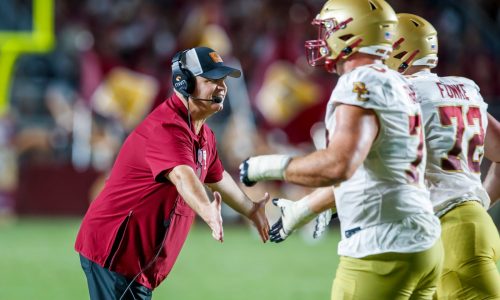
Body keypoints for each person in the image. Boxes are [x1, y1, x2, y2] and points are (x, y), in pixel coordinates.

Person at [239, 0, 443, 299]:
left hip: (381, 246)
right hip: (422, 242)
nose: (323, 39)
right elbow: (366, 173)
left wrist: (263, 167)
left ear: (352, 35)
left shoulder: (361, 82)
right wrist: (301, 212)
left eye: (330, 29)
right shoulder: (399, 83)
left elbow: (339, 166)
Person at [75, 46, 270, 300]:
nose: (222, 87)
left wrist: (250, 209)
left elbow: (218, 178)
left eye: (223, 80)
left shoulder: (203, 134)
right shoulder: (167, 128)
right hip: (115, 253)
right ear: (184, 82)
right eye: (212, 80)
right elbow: (182, 175)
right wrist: (208, 211)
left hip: (136, 262)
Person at [385, 13, 500, 299]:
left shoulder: (403, 94)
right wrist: (479, 201)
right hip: (453, 228)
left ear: (397, 50)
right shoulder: (463, 89)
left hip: (451, 230)